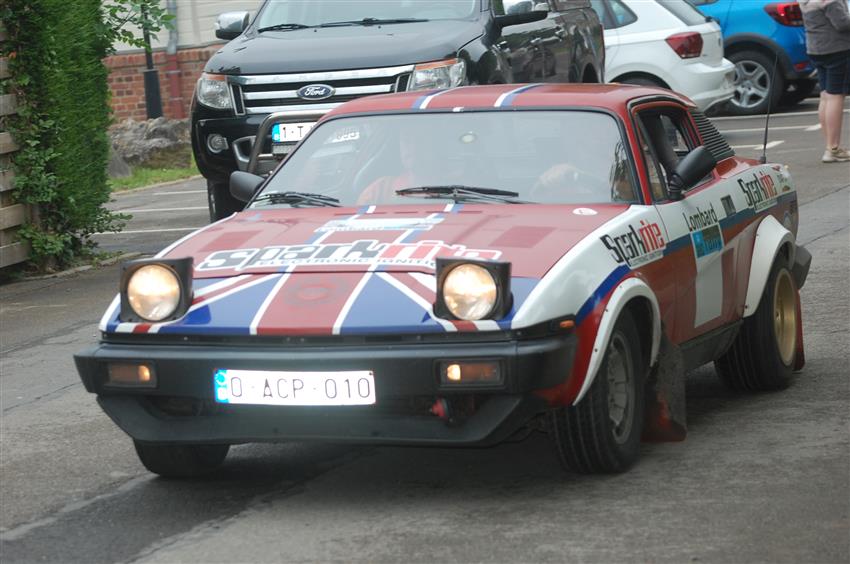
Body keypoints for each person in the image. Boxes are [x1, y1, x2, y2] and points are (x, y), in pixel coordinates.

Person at [800, 0, 850, 163]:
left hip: (816, 49)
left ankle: (830, 145)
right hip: (837, 49)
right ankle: (833, 149)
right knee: (836, 96)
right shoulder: (830, 1)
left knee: (826, 96)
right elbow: (842, 24)